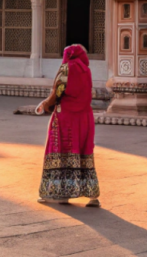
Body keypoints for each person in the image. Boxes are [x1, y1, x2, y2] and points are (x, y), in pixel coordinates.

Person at [36, 43, 101, 205]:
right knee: (84, 152)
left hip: (66, 116)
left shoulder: (66, 69)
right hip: (85, 117)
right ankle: (93, 197)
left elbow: (58, 91)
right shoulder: (86, 70)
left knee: (60, 151)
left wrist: (46, 104)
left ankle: (61, 193)